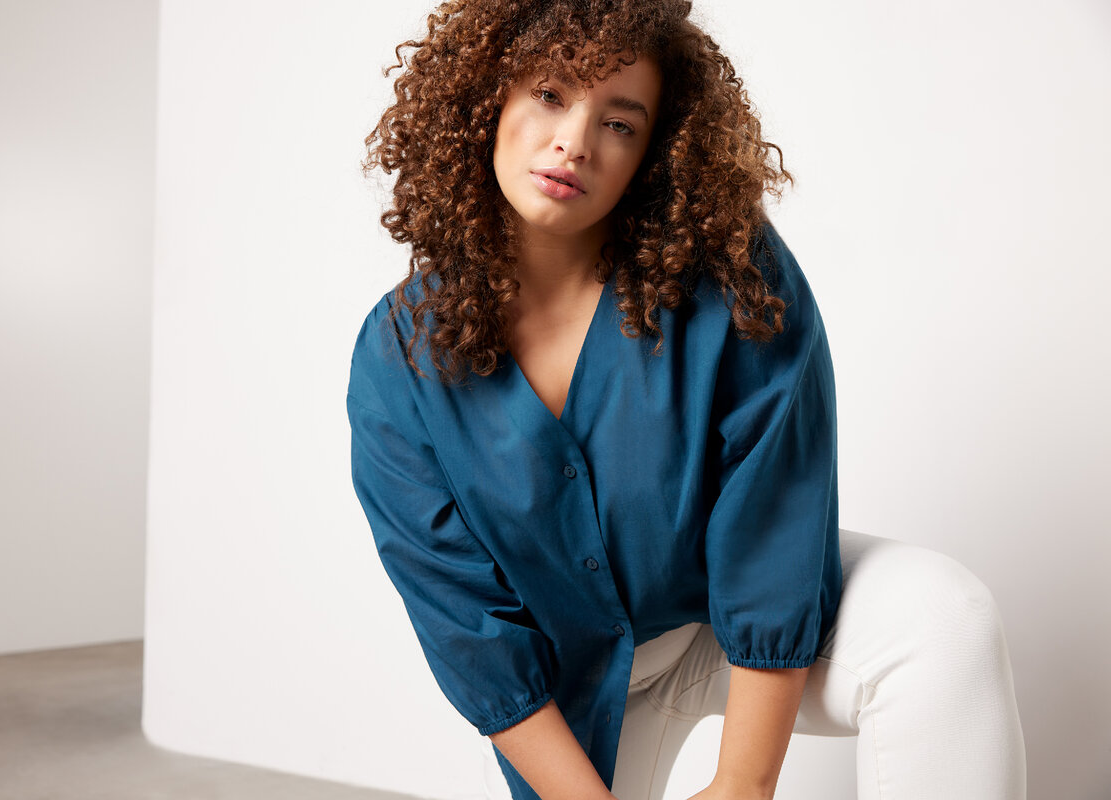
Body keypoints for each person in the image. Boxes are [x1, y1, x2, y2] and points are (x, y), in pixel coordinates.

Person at [345, 1, 1027, 799]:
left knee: (943, 620)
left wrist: (742, 783)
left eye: (620, 123)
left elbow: (774, 520)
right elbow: (466, 623)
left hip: (732, 629)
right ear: (488, 98)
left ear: (652, 152)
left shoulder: (736, 278)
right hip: (574, 694)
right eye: (551, 95)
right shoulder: (397, 360)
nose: (575, 142)